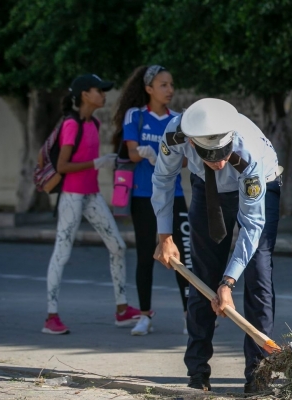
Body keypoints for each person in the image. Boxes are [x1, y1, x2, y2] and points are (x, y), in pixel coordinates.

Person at [152, 98, 281, 394]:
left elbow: (252, 226)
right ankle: (197, 374)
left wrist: (228, 282)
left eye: (224, 153)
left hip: (262, 186)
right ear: (193, 144)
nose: (220, 162)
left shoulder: (248, 156)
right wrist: (164, 236)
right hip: (206, 187)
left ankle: (258, 374)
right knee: (202, 276)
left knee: (258, 275)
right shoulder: (176, 134)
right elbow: (163, 180)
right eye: (211, 154)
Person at [43, 74, 138, 335]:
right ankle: (51, 317)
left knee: (117, 246)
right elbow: (62, 166)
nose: (104, 95)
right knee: (61, 253)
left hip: (92, 195)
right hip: (72, 197)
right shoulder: (71, 125)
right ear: (85, 94)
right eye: (99, 90)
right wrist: (97, 163)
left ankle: (122, 309)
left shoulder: (94, 123)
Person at [112, 65, 191, 336]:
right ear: (148, 89)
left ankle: (188, 314)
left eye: (171, 84)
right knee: (147, 254)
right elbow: (132, 153)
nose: (170, 90)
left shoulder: (178, 119)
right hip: (143, 194)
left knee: (183, 256)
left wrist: (167, 161)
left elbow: (185, 158)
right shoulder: (135, 115)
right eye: (163, 85)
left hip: (175, 195)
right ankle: (144, 315)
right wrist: (147, 153)